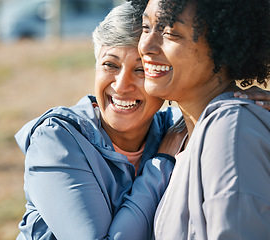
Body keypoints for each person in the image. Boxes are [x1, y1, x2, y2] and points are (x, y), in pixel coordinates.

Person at [15, 2, 184, 239]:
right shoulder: (56, 141)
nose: (121, 86)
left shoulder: (176, 128)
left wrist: (243, 100)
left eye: (141, 70)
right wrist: (161, 163)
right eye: (110, 65)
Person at [133, 0, 270, 238]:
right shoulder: (179, 132)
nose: (146, 45)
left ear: (224, 43)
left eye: (171, 33)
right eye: (146, 27)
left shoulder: (230, 130)